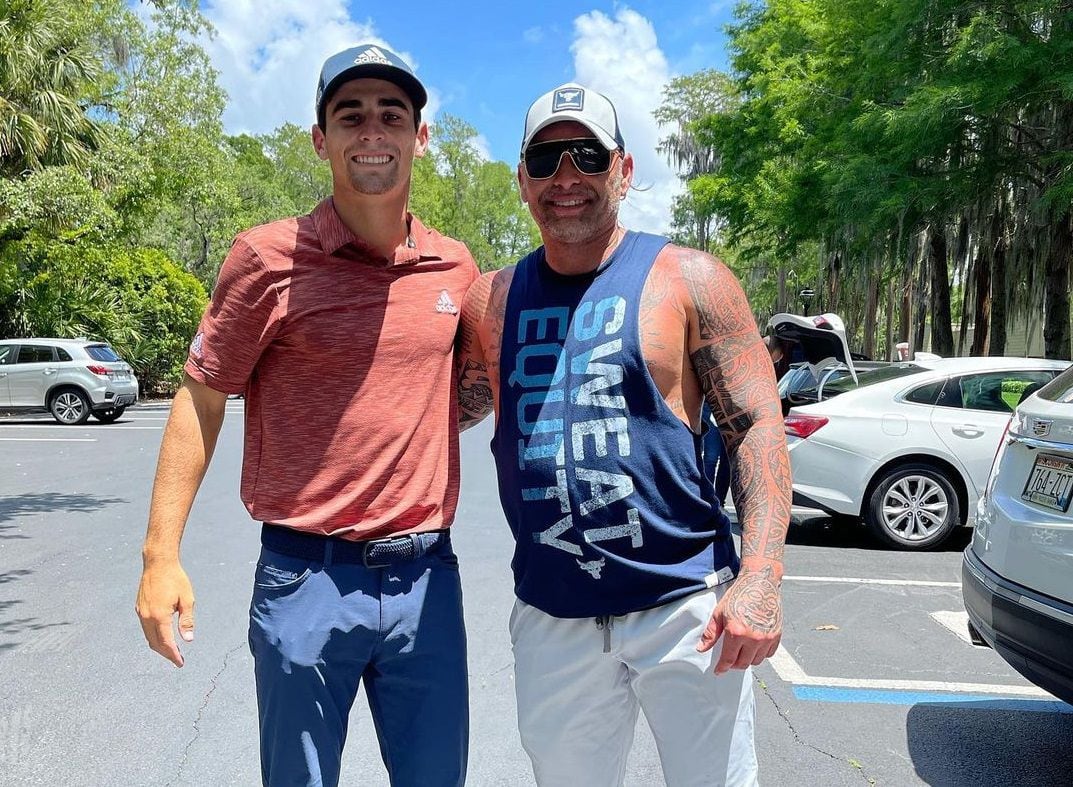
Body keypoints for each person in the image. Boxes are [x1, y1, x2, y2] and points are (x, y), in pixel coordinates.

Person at [135, 44, 478, 787]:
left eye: (392, 114)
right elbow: (201, 394)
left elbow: (458, 392)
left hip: (427, 580)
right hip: (305, 580)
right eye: (349, 115)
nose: (372, 131)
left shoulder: (456, 268)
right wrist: (160, 555)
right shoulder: (265, 260)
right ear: (320, 139)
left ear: (421, 136)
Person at [456, 83, 791, 786]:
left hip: (683, 609)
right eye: (546, 158)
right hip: (553, 613)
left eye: (587, 153)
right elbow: (441, 409)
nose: (566, 176)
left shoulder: (690, 279)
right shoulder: (489, 299)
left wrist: (759, 575)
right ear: (521, 180)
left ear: (624, 169)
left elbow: (754, 423)